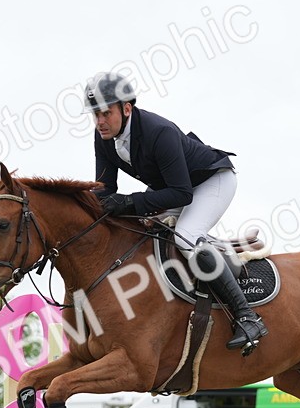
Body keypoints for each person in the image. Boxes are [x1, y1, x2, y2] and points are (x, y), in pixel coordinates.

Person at [85, 70, 267, 352]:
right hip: (174, 187)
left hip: (211, 181)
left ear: (127, 108)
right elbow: (104, 190)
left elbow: (182, 193)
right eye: (95, 114)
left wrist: (130, 202)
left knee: (185, 236)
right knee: (137, 226)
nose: (99, 122)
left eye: (105, 113)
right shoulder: (104, 138)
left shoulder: (160, 132)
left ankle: (247, 317)